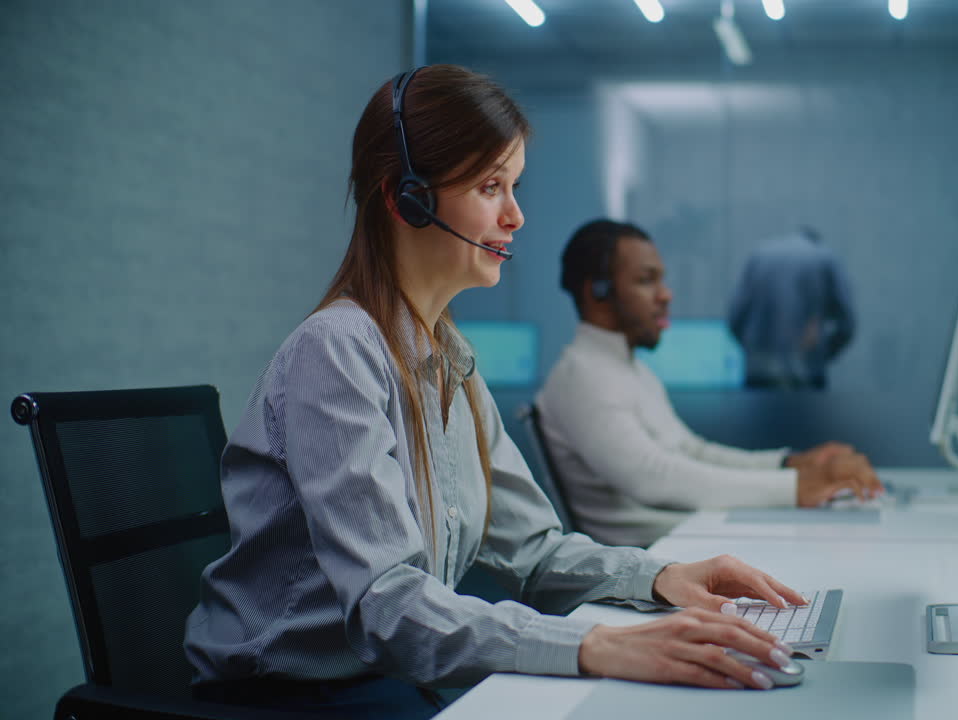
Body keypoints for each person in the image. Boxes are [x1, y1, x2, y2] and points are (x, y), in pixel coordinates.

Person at [184, 66, 807, 718]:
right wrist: (597, 645)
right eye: (490, 187)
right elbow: (387, 606)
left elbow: (533, 553)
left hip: (380, 683)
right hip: (283, 700)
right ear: (407, 199)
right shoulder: (335, 352)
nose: (516, 215)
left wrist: (661, 578)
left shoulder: (450, 361)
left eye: (513, 186)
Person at [536, 219, 883, 549]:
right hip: (655, 555)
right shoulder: (580, 376)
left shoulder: (631, 371)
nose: (665, 295)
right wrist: (796, 487)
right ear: (597, 292)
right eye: (646, 280)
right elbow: (654, 477)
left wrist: (789, 465)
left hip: (686, 538)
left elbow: (692, 452)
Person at [728, 226, 856, 389]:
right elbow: (847, 324)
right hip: (806, 370)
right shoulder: (824, 257)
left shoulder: (759, 255)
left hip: (759, 371)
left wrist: (754, 352)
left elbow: (735, 319)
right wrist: (822, 354)